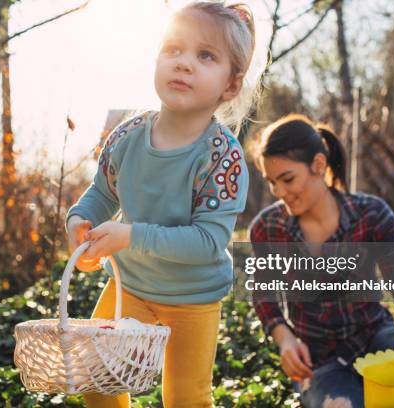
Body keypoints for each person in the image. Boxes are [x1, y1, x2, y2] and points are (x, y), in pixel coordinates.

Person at [65, 2, 263, 406]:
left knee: (186, 399)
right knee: (97, 378)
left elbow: (208, 242)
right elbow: (103, 193)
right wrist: (80, 218)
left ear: (231, 86)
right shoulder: (127, 137)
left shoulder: (222, 156)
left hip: (194, 297)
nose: (184, 63)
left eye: (205, 55)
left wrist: (131, 236)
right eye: (173, 48)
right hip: (132, 288)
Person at [248, 114, 394, 407]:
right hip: (319, 362)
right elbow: (264, 296)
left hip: (378, 340)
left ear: (318, 165)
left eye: (287, 179)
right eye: (272, 183)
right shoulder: (268, 228)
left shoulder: (371, 214)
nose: (280, 193)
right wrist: (285, 339)